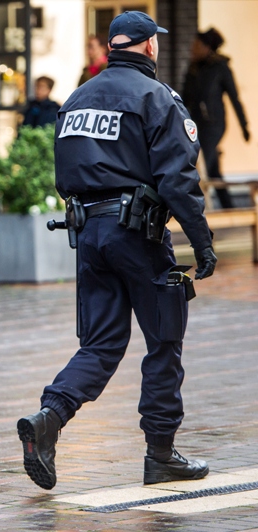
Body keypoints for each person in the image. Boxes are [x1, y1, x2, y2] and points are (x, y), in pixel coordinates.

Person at [17, 11, 217, 491]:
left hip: (88, 235)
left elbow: (65, 173)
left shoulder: (76, 98)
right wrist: (203, 245)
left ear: (111, 47)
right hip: (138, 236)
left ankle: (49, 418)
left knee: (102, 343)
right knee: (164, 339)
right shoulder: (156, 97)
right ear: (149, 47)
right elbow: (178, 178)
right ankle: (161, 454)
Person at [182, 28, 250, 209]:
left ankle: (199, 210)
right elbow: (183, 99)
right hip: (195, 125)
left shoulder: (221, 68)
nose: (192, 49)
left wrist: (244, 126)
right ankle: (229, 208)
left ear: (207, 47)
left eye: (196, 45)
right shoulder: (193, 69)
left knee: (202, 165)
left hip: (214, 125)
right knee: (213, 170)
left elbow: (234, 98)